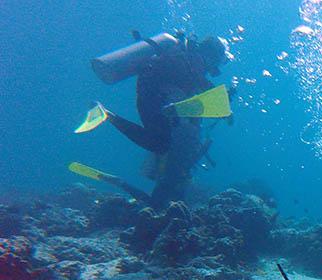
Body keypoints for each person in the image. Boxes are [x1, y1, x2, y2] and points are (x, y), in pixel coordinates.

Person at [76, 33, 230, 209]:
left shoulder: (185, 54)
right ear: (211, 54)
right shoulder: (190, 57)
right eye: (215, 63)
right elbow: (185, 75)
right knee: (161, 145)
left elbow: (187, 80)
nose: (212, 69)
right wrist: (212, 93)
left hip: (152, 96)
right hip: (156, 98)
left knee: (165, 150)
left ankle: (144, 187)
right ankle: (107, 115)